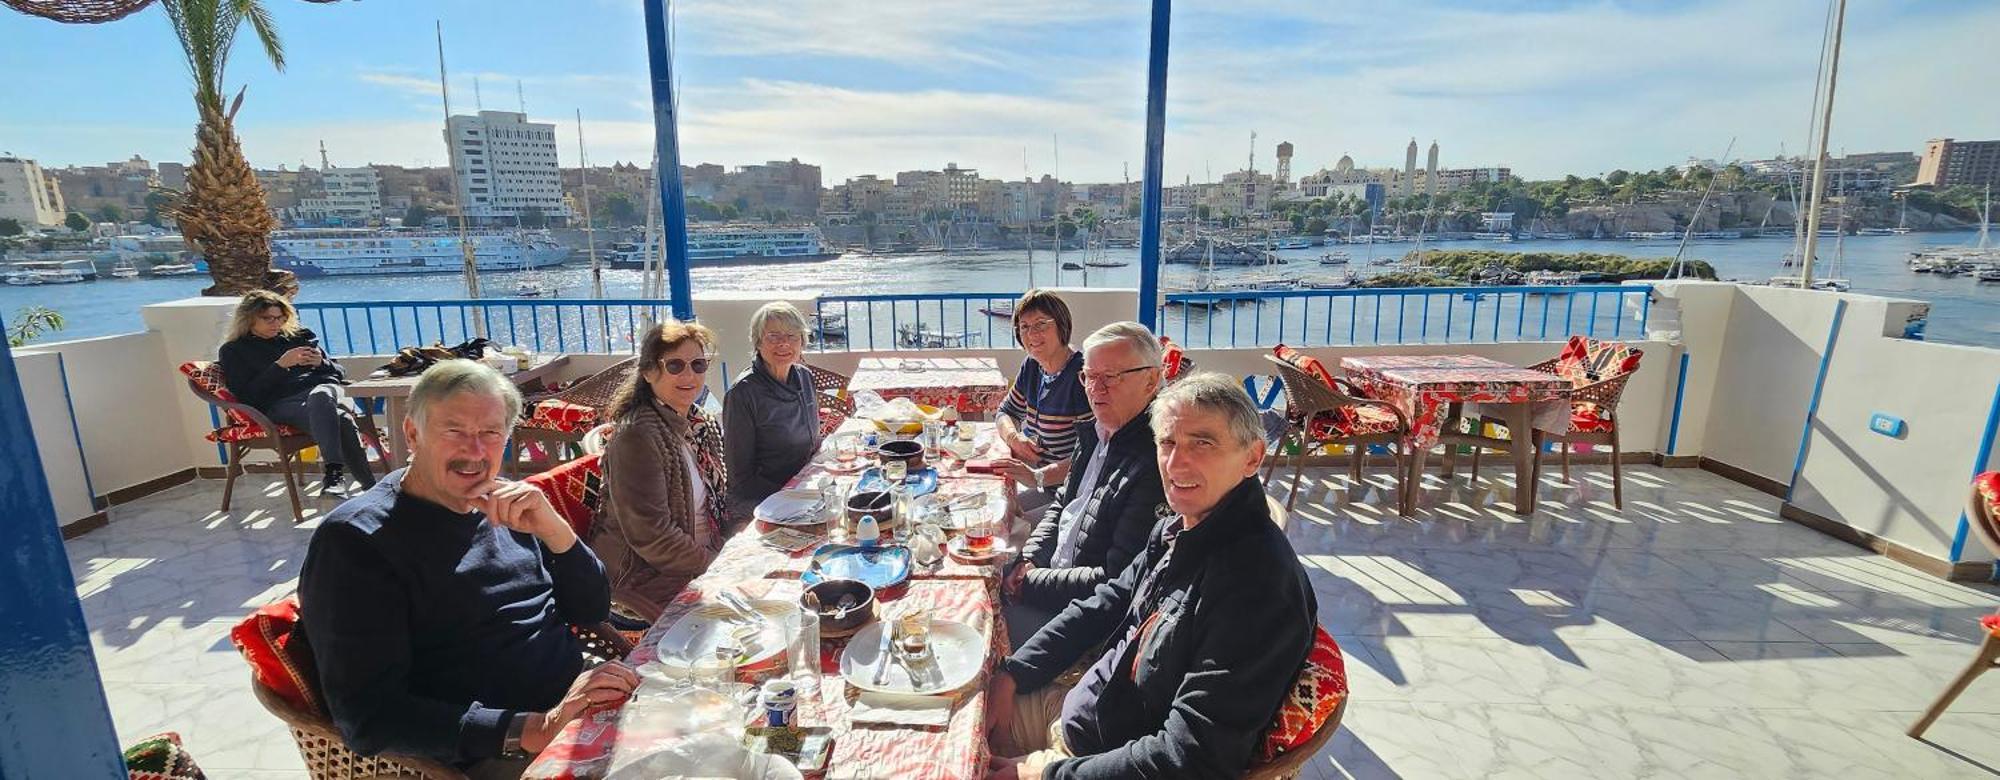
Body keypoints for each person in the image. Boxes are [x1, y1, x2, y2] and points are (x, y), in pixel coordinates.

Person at [299, 360, 637, 779]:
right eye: (454, 431)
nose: (475, 452)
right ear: (412, 434)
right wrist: (534, 728)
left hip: (579, 704)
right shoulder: (357, 542)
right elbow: (367, 717)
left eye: (491, 433)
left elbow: (590, 610)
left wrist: (558, 534)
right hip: (494, 751)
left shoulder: (508, 506)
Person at [986, 373, 1317, 780]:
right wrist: (1013, 672)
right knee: (964, 704)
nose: (1177, 464)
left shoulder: (1255, 587)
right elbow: (1107, 601)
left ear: (1252, 457)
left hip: (1096, 756)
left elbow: (1190, 758)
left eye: (1203, 443)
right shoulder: (1181, 528)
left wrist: (1045, 773)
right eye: (1168, 443)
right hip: (1085, 712)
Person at [1001, 322, 1166, 650]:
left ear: (1151, 380)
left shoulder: (1157, 462)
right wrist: (1031, 559)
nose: (1096, 388)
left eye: (1112, 376)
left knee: (980, 635)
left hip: (1089, 622)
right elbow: (1063, 504)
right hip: (1055, 580)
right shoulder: (1098, 431)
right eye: (1090, 376)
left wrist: (1030, 583)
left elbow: (1116, 580)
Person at [589, 319, 731, 622]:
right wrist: (716, 565)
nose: (690, 375)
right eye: (675, 366)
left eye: (698, 364)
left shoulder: (699, 422)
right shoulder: (637, 437)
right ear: (649, 371)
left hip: (703, 556)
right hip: (644, 579)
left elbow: (719, 501)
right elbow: (653, 538)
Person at [217, 290, 376, 497]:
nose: (276, 323)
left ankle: (334, 475)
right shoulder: (234, 350)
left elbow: (339, 372)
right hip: (282, 404)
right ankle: (371, 488)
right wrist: (280, 366)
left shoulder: (300, 337)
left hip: (326, 390)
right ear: (248, 318)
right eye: (268, 318)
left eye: (280, 318)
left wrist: (322, 363)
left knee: (320, 396)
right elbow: (247, 395)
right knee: (341, 419)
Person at [993, 290, 1092, 525]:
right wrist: (1014, 438)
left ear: (1061, 325)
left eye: (1040, 324)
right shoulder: (1033, 366)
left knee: (1009, 529)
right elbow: (1005, 412)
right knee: (994, 512)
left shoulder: (1082, 376)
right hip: (1044, 484)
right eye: (1024, 327)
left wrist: (1037, 477)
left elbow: (1091, 455)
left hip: (1074, 493)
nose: (1031, 334)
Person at [723, 302, 819, 523]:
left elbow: (812, 443)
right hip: (764, 503)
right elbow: (740, 478)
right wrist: (792, 497)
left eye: (792, 336)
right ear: (758, 342)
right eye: (773, 336)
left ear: (802, 341)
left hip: (804, 491)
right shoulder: (743, 394)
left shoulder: (804, 377)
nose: (784, 343)